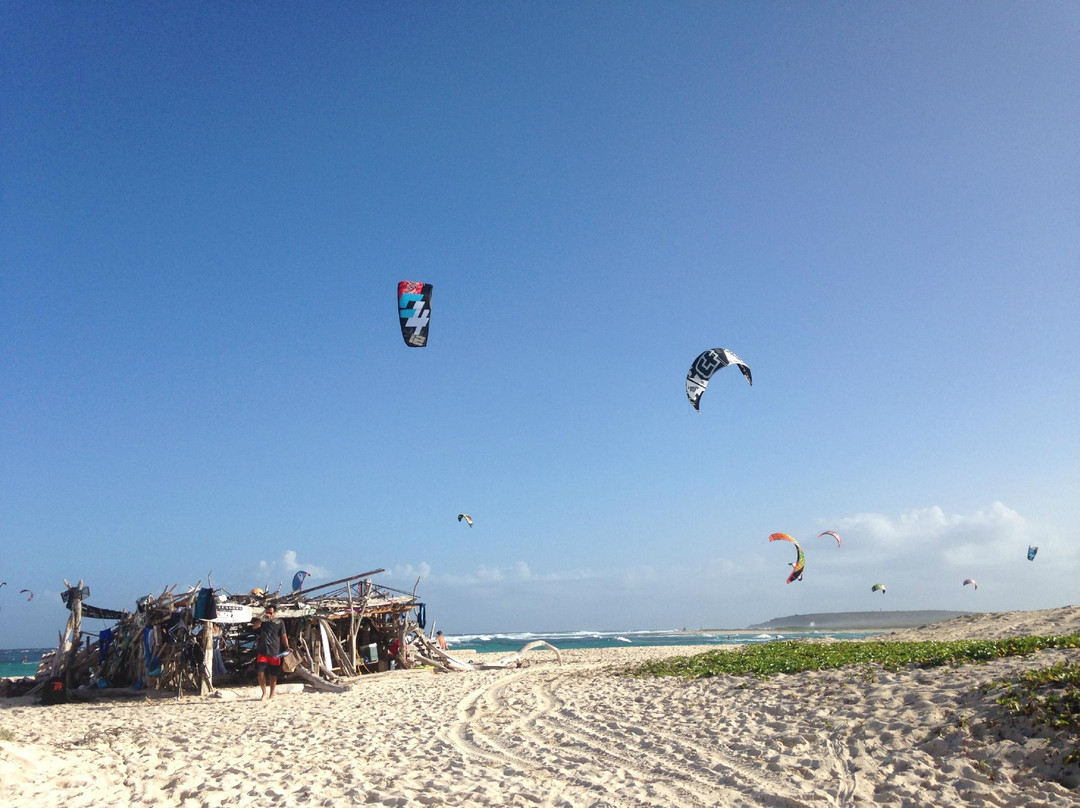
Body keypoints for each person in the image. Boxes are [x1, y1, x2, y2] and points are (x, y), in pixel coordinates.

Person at [252, 605, 290, 700]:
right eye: (267, 612)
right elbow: (254, 627)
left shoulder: (280, 622)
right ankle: (264, 693)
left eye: (271, 612)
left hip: (275, 652)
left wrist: (287, 646)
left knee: (273, 674)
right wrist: (262, 619)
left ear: (275, 613)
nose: (269, 614)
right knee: (260, 672)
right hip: (263, 651)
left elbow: (283, 635)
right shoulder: (262, 621)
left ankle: (272, 693)